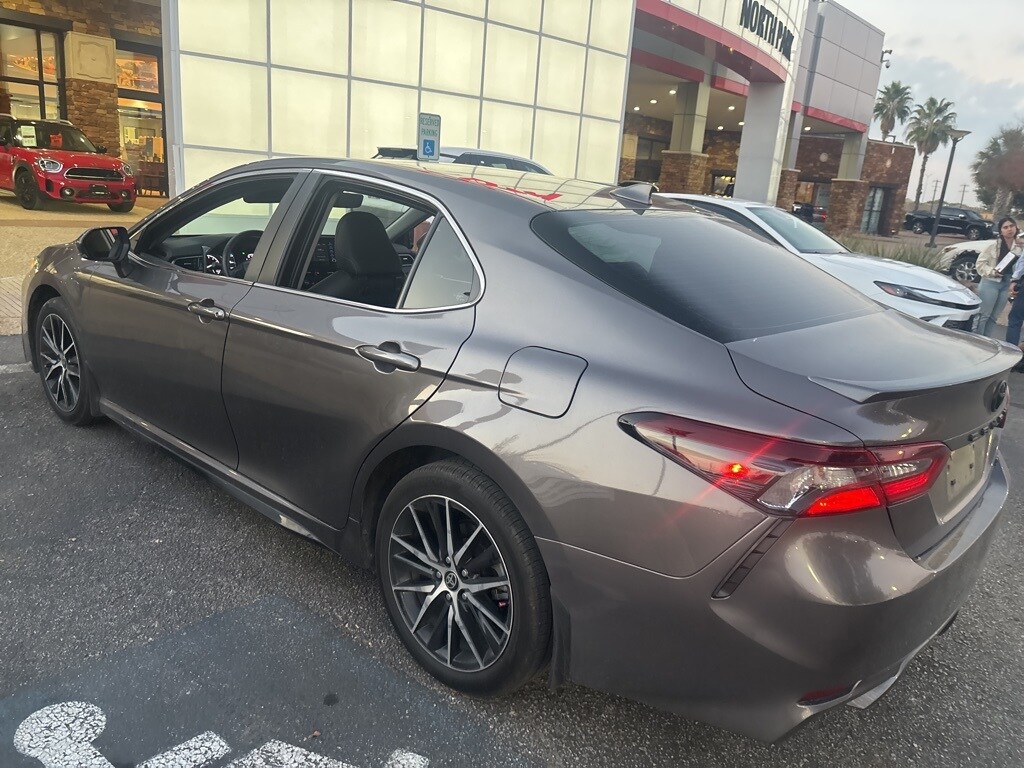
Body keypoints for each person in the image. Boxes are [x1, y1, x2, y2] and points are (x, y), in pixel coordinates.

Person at [975, 217, 1022, 337]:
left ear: (1016, 227)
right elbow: (980, 264)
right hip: (990, 282)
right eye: (1005, 227)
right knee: (983, 315)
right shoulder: (993, 245)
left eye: (1011, 226)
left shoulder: (1019, 247)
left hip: (1007, 283)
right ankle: (978, 340)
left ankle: (988, 341)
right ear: (1001, 231)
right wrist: (992, 271)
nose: (1009, 229)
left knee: (994, 317)